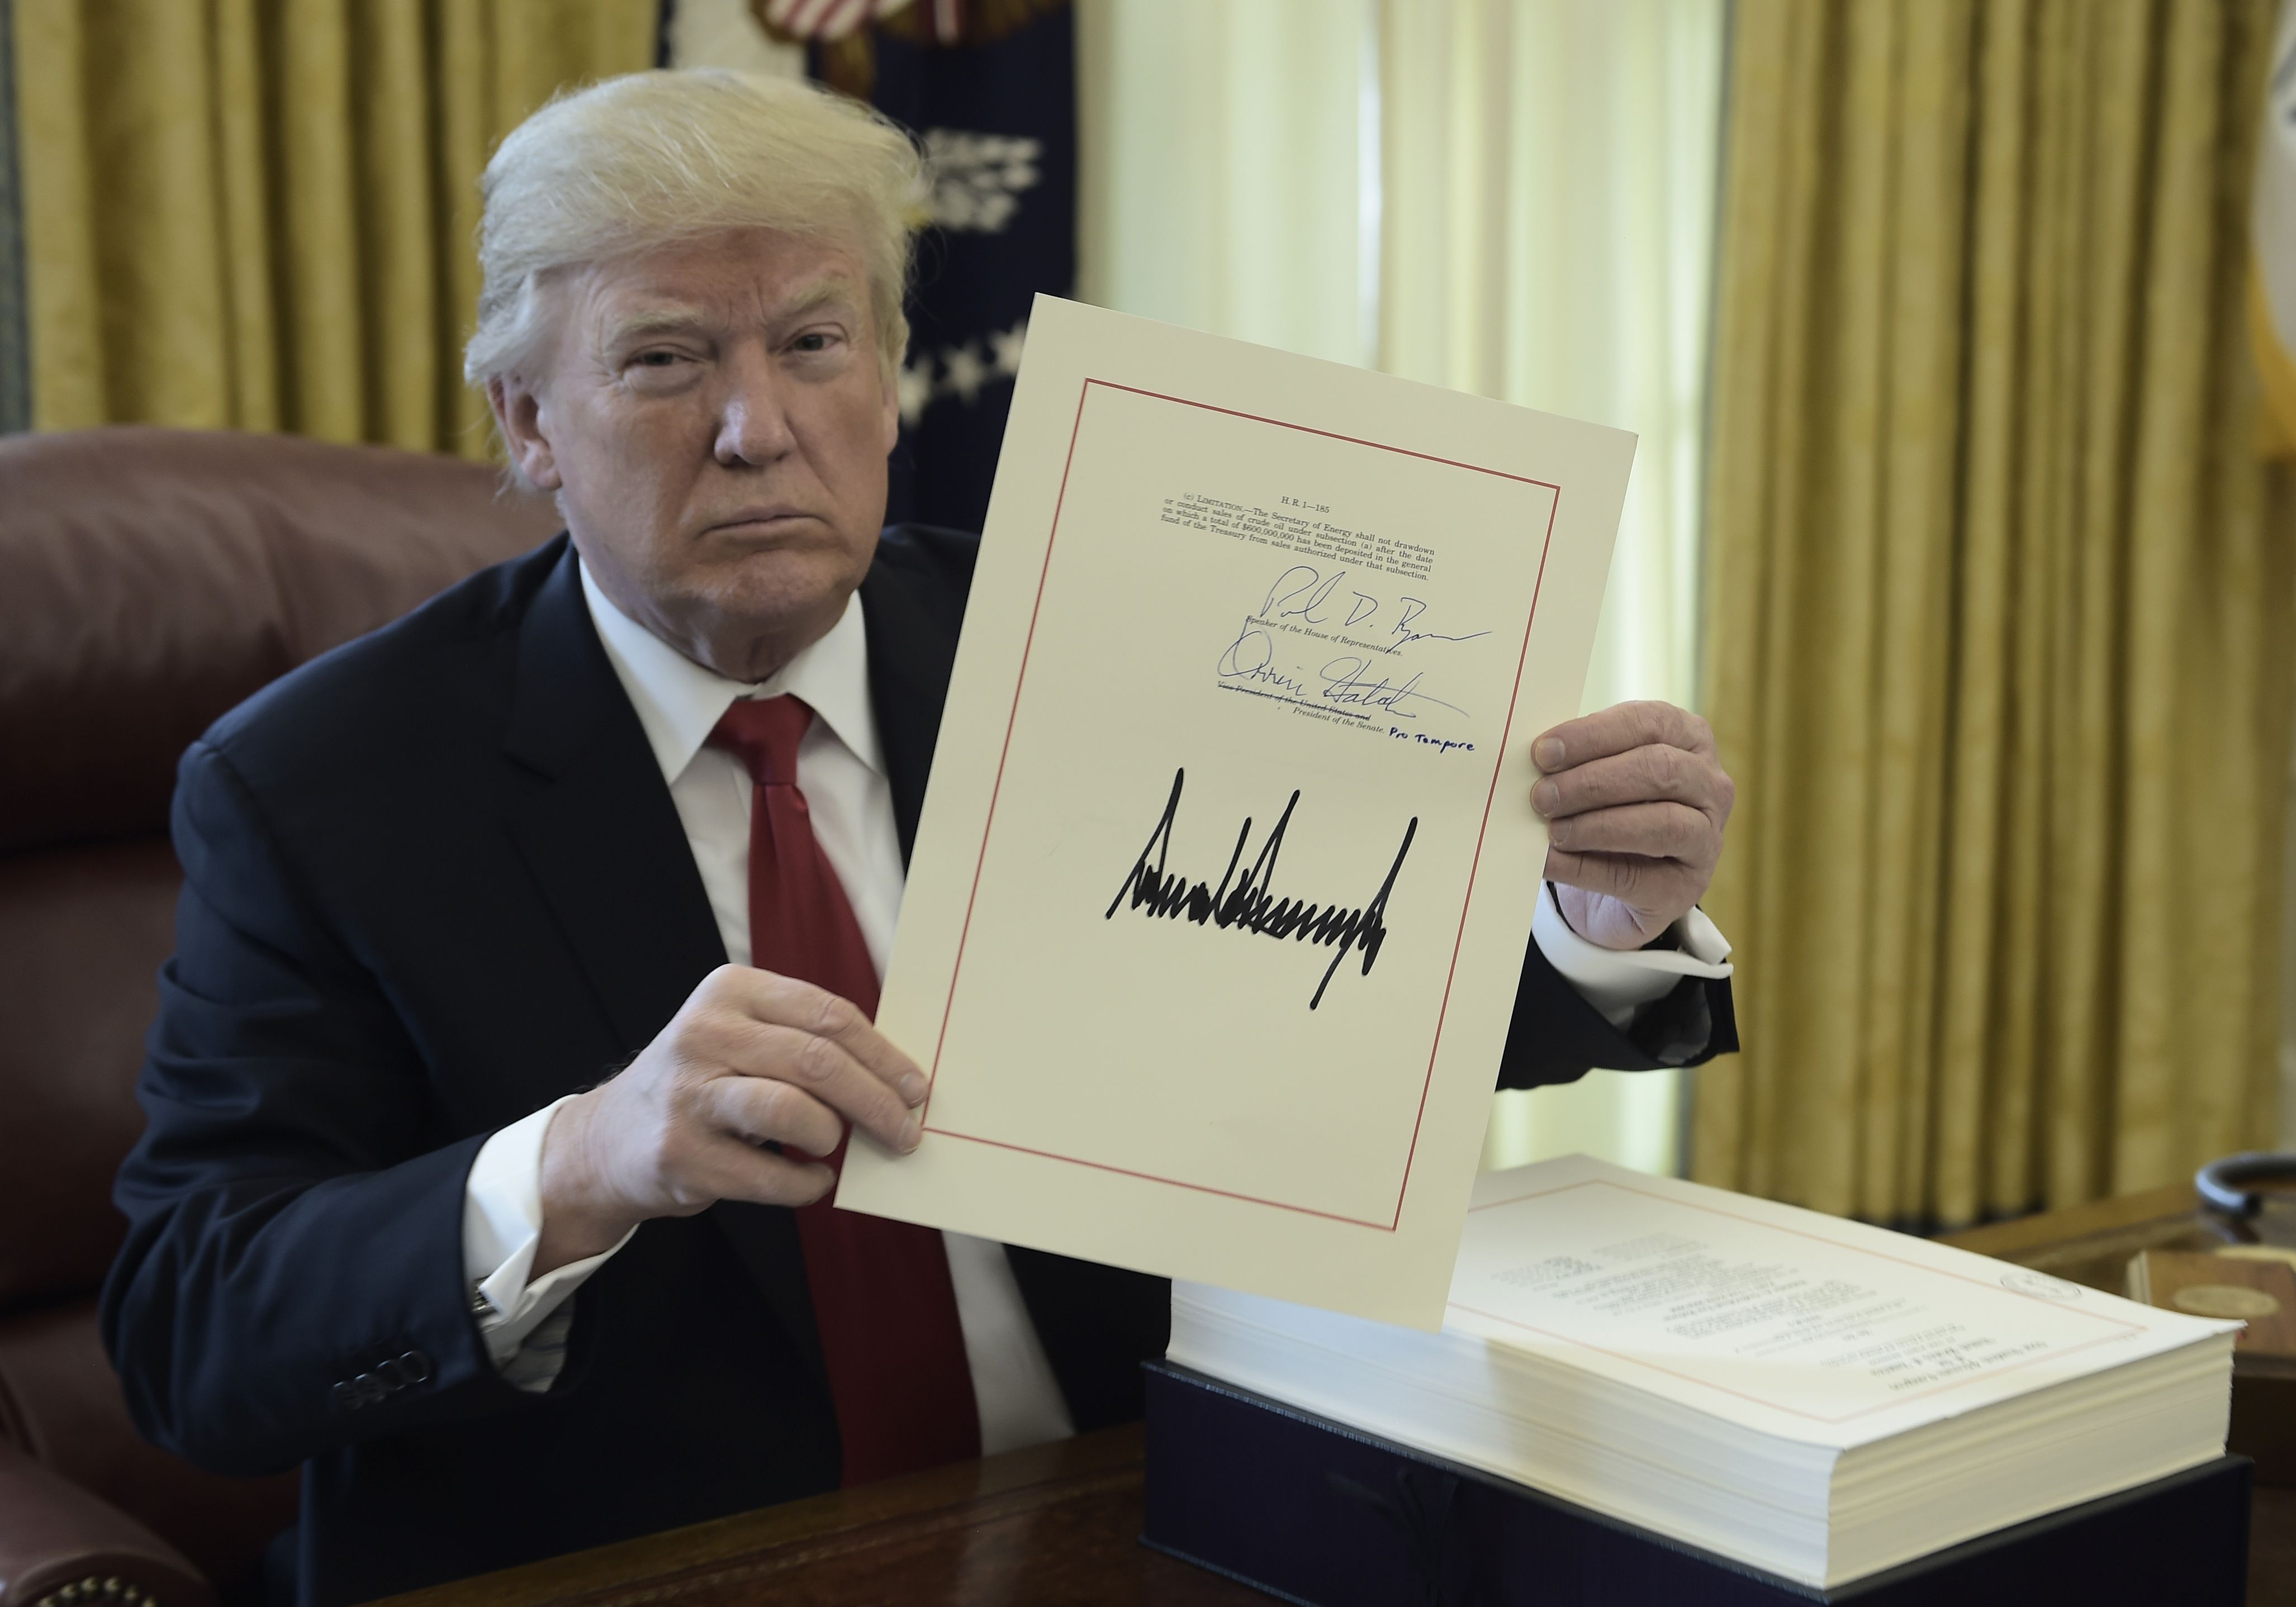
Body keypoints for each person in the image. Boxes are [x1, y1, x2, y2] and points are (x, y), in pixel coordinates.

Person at [100, 70, 1739, 1607]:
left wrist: (1584, 922)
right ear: (530, 424)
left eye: (814, 343)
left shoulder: (1107, 635)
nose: (756, 428)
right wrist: (585, 1158)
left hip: (1132, 1518)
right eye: (665, 359)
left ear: (888, 381)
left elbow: (1338, 1008)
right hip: (658, 1564)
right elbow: (194, 1327)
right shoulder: (321, 784)